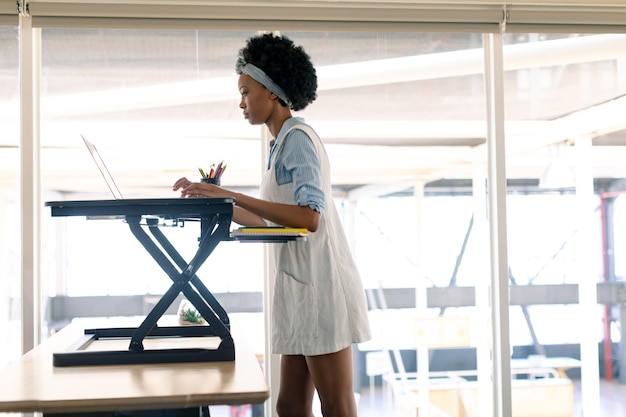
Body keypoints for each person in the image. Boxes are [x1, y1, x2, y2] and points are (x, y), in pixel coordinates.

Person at [173, 33, 371, 417]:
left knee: (337, 407)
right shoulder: (279, 143)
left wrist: (235, 195)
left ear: (272, 92)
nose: (242, 102)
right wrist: (216, 199)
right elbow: (269, 219)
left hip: (321, 290)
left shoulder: (296, 138)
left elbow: (310, 217)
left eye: (247, 92)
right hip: (302, 290)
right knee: (290, 406)